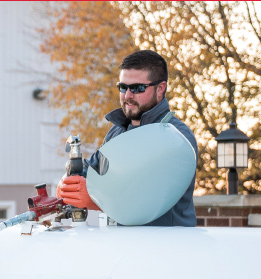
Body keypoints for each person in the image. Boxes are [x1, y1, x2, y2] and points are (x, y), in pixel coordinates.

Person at [57, 50, 198, 226]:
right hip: (125, 241)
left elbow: (147, 197)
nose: (128, 95)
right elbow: (92, 170)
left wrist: (95, 200)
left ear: (160, 89)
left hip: (166, 240)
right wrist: (68, 182)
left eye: (137, 88)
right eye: (123, 87)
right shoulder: (117, 132)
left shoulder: (177, 137)